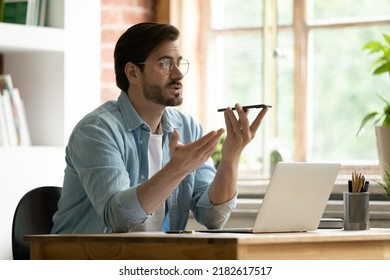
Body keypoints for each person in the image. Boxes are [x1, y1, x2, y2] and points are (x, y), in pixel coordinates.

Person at [51, 22, 268, 234]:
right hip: (85, 261)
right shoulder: (96, 131)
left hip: (154, 262)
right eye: (165, 64)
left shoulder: (187, 127)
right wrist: (176, 169)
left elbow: (212, 217)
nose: (178, 74)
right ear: (133, 73)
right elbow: (119, 218)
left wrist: (231, 158)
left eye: (179, 63)